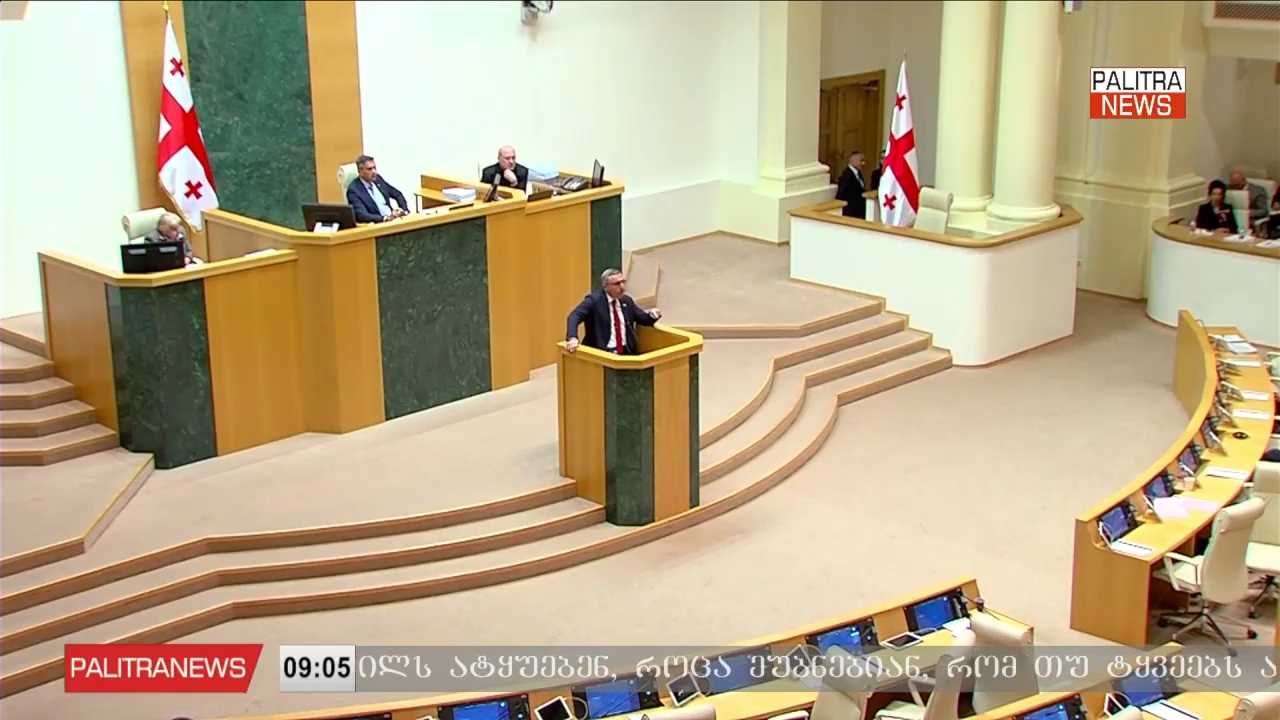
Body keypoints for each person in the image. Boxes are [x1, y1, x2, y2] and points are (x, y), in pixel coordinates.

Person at [564, 268, 662, 355]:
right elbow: (574, 316)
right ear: (605, 286)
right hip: (603, 353)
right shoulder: (594, 301)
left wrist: (652, 315)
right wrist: (573, 338)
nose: (622, 287)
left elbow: (643, 319)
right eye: (617, 284)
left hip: (626, 352)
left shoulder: (626, 301)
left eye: (623, 282)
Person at [346, 154, 408, 223]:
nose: (374, 172)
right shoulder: (354, 190)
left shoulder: (378, 179)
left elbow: (397, 194)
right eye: (369, 169)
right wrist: (385, 218)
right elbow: (362, 215)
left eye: (374, 168)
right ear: (360, 171)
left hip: (393, 220)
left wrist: (404, 210)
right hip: (378, 224)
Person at [835, 150, 868, 219]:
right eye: (861, 160)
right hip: (850, 213)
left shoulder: (858, 173)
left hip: (859, 212)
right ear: (853, 161)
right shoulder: (846, 176)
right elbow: (841, 194)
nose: (863, 163)